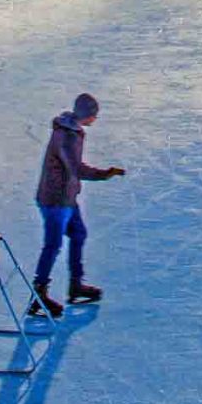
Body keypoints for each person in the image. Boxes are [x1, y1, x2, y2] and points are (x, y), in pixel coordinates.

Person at [32, 93, 123, 317]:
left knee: (79, 234)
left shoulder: (72, 131)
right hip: (55, 200)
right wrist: (105, 174)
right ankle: (38, 295)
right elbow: (76, 169)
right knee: (52, 245)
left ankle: (75, 284)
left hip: (67, 198)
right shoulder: (67, 136)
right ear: (87, 114)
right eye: (94, 114)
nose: (95, 118)